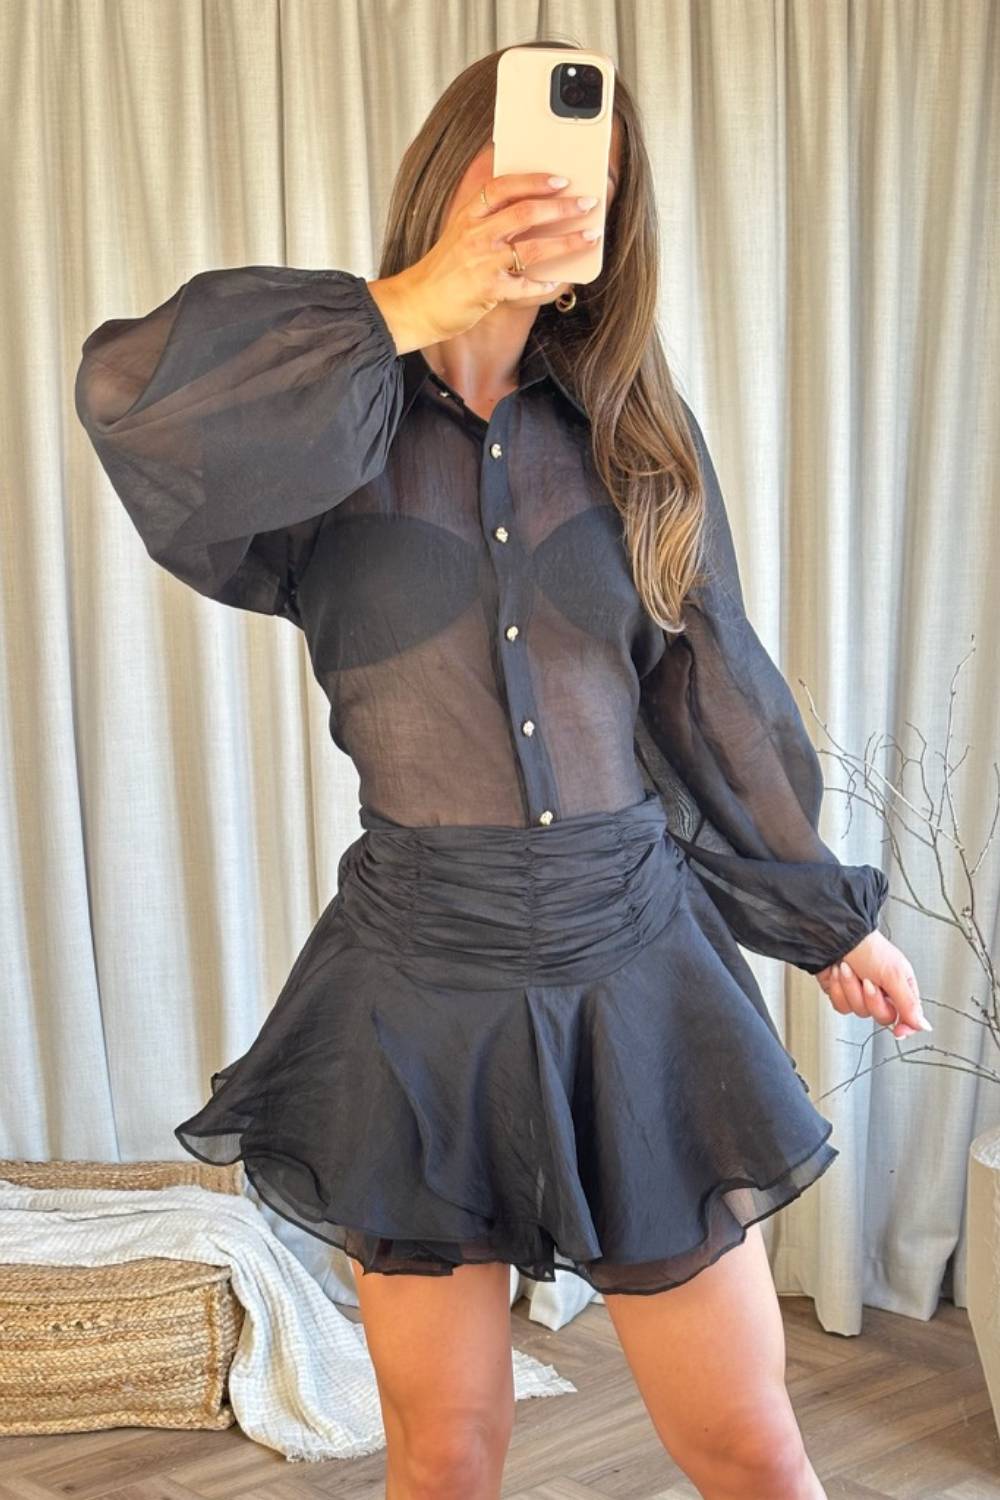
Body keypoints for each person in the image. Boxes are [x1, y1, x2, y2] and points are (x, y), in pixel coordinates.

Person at [76, 44, 926, 1500]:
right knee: (448, 1457)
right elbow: (134, 396)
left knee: (751, 1449)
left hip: (637, 971)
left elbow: (714, 691)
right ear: (449, 176)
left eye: (592, 179)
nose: (556, 196)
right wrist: (409, 307)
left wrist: (826, 916)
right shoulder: (323, 433)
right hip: (417, 987)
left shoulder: (637, 438)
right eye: (519, 161)